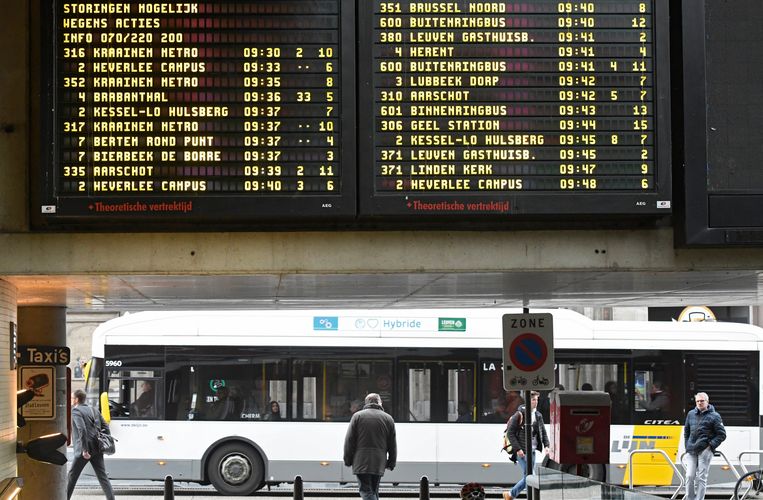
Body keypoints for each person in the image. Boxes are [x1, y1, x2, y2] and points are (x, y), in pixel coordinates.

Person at [343, 393, 397, 500]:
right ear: (380, 403)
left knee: (366, 491)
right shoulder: (388, 419)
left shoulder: (357, 416)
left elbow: (349, 441)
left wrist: (348, 459)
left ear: (366, 403)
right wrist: (391, 462)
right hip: (379, 462)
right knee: (373, 491)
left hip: (361, 461)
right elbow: (392, 444)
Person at [67, 389, 115, 500]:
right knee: (102, 477)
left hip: (84, 450)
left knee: (72, 476)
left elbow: (82, 430)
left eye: (72, 398)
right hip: (97, 448)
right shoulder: (94, 410)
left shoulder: (76, 411)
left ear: (77, 399)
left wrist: (84, 450)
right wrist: (104, 442)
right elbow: (106, 427)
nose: (71, 400)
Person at [503, 391, 550, 500]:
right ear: (528, 401)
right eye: (533, 400)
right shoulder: (519, 414)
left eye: (537, 400)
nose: (536, 402)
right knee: (530, 476)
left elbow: (542, 431)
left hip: (532, 451)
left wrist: (546, 445)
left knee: (528, 477)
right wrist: (518, 449)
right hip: (522, 451)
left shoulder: (538, 415)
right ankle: (515, 495)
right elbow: (510, 433)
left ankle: (510, 495)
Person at [684, 392, 726, 500]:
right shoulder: (690, 414)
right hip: (691, 450)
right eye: (697, 401)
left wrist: (710, 446)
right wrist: (687, 446)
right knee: (689, 476)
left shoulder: (715, 416)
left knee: (701, 478)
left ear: (707, 402)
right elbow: (686, 432)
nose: (699, 403)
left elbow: (722, 435)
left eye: (702, 401)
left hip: (705, 450)